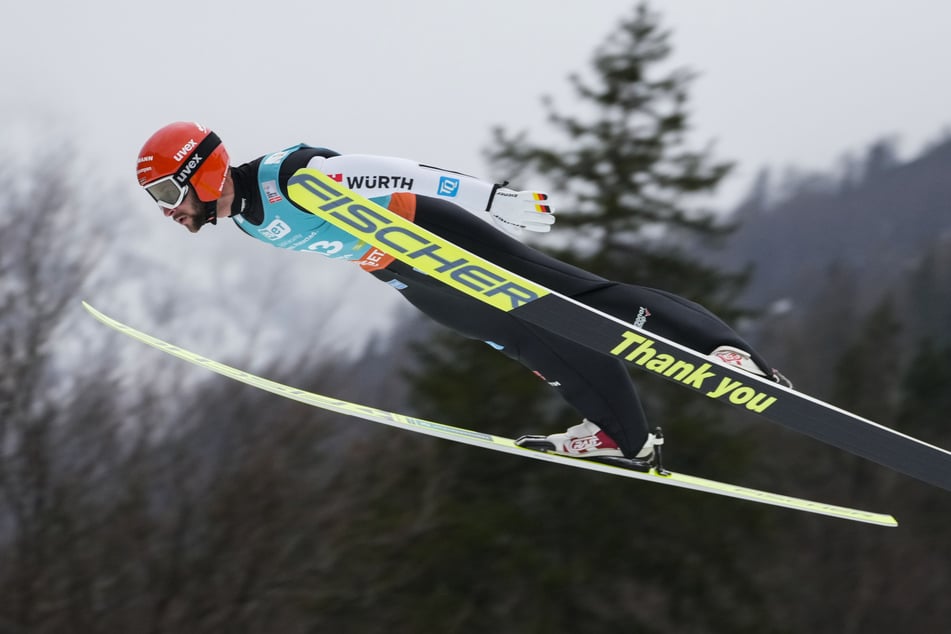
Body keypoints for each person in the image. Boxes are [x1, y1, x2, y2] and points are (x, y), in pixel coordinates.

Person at [136, 121, 790, 470]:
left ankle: (725, 353)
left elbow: (402, 172)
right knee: (530, 337)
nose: (169, 210)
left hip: (427, 233)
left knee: (575, 298)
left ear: (203, 171)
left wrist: (493, 199)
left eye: (168, 194)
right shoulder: (248, 217)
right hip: (403, 272)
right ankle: (623, 435)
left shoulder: (290, 175)